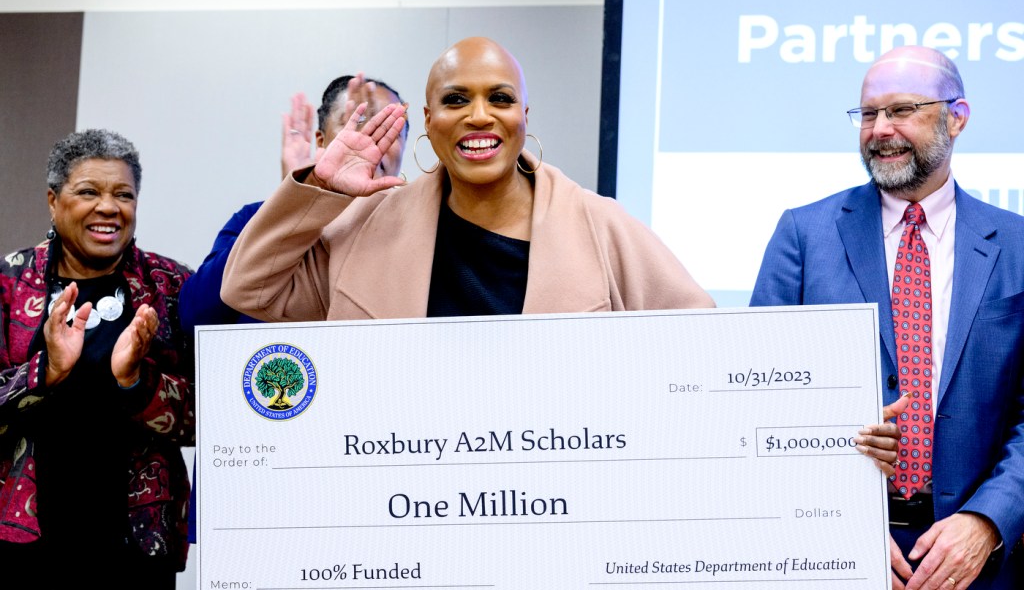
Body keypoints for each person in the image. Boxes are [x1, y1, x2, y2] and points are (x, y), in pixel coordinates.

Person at [750, 46, 1024, 589]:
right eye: (868, 114)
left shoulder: (1017, 244)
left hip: (984, 564)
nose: (880, 129)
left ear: (957, 117)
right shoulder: (804, 236)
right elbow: (758, 401)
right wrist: (838, 527)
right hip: (828, 554)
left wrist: (989, 521)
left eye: (901, 110)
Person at [220, 36, 716, 321]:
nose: (479, 116)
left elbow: (696, 341)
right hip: (403, 491)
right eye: (457, 100)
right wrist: (320, 191)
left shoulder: (599, 225)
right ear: (430, 121)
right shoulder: (364, 229)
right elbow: (248, 289)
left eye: (499, 99)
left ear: (524, 117)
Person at [180, 72, 408, 543]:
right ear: (322, 140)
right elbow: (196, 318)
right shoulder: (254, 223)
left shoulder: (413, 241)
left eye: (388, 128)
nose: (370, 141)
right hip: (261, 474)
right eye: (357, 122)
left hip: (370, 476)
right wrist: (296, 204)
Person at [0, 129, 193, 588]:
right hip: (23, 543)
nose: (109, 207)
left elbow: (204, 419)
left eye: (123, 195)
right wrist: (44, 373)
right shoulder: (8, 284)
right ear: (53, 200)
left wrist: (136, 381)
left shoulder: (170, 287)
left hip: (135, 548)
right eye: (89, 191)